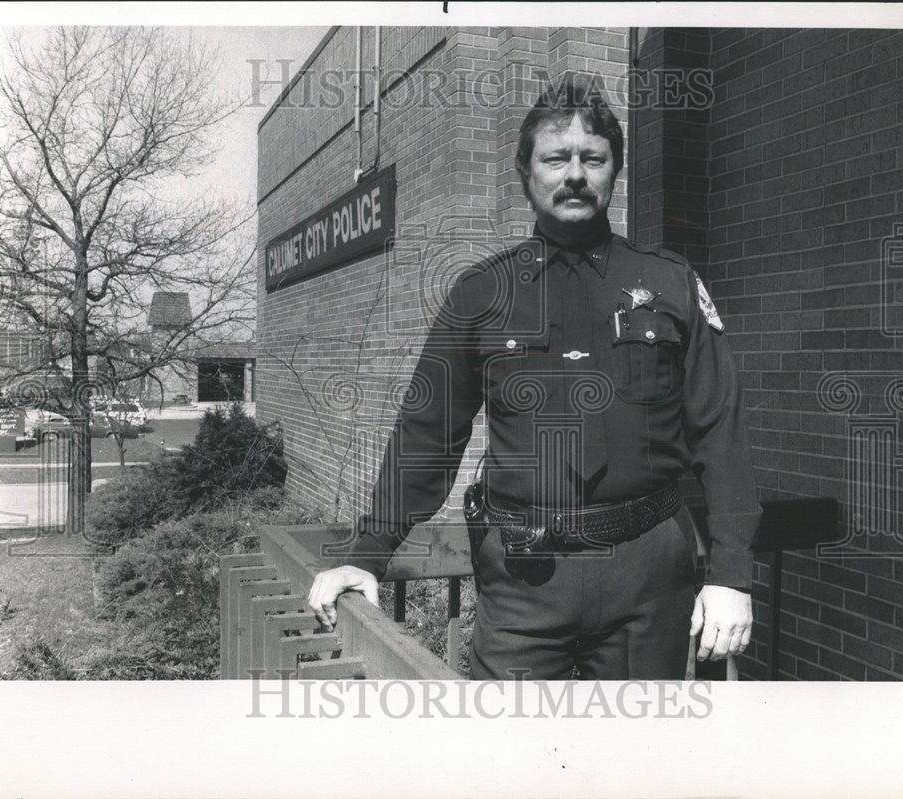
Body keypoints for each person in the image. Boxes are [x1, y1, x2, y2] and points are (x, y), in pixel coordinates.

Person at [308, 73, 760, 680]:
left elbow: (720, 432)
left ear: (613, 171)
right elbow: (429, 431)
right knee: (508, 761)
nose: (575, 173)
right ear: (527, 174)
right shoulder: (482, 293)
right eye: (556, 158)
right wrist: (369, 552)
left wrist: (731, 573)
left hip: (649, 580)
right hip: (524, 583)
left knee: (632, 764)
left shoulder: (672, 285)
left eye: (592, 158)